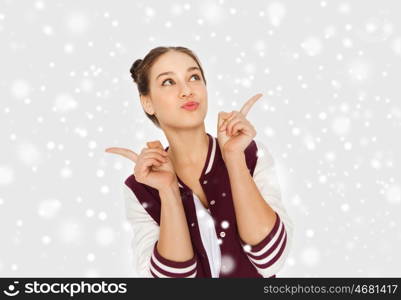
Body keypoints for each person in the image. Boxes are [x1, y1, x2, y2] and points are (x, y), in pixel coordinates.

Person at [105, 46, 294, 278]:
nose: (186, 90)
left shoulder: (249, 154)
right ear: (147, 103)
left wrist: (234, 160)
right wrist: (168, 190)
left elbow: (271, 260)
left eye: (194, 77)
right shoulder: (141, 187)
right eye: (168, 82)